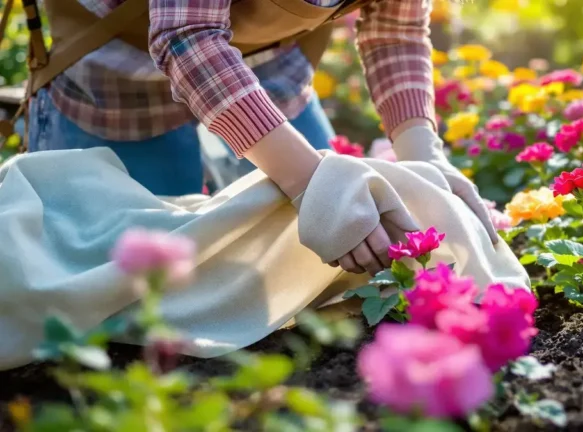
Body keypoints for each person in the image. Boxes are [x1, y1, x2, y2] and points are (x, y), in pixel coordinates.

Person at [24, 0, 498, 275]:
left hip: (268, 65)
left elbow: (394, 29)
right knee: (123, 281)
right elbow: (188, 33)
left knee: (310, 273)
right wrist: (307, 179)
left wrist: (423, 157)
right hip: (116, 75)